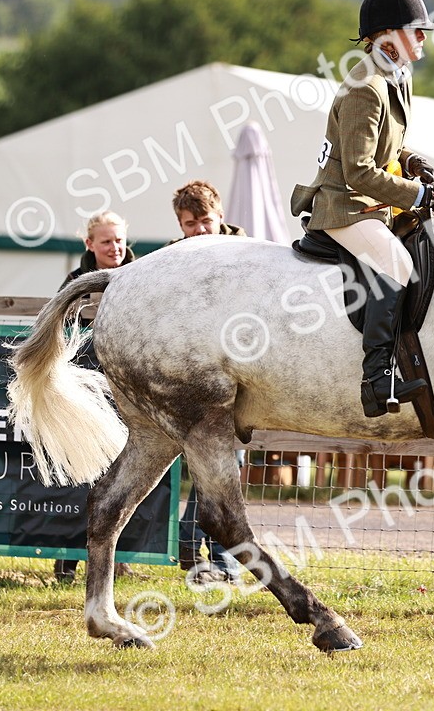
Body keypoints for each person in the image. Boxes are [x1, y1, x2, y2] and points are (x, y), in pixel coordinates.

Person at [289, 0, 434, 417]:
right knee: (398, 262)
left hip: (371, 202)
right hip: (345, 205)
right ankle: (377, 378)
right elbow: (359, 170)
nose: (422, 39)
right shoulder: (365, 86)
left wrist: (415, 165)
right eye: (417, 31)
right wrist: (417, 194)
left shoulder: (395, 78)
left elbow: (389, 149)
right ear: (389, 36)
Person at [167, 181, 244, 583]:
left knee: (223, 471)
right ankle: (220, 562)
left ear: (220, 217)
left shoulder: (247, 253)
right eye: (190, 223)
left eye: (205, 221)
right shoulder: (170, 260)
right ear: (180, 225)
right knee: (216, 472)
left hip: (244, 380)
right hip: (195, 383)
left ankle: (188, 543)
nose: (198, 230)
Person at [53, 211, 136, 584]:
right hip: (87, 393)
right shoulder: (74, 283)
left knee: (127, 478)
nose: (115, 247)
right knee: (83, 477)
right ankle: (68, 558)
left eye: (119, 240)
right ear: (89, 245)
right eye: (106, 241)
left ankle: (122, 558)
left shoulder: (144, 273)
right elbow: (59, 334)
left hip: (132, 394)